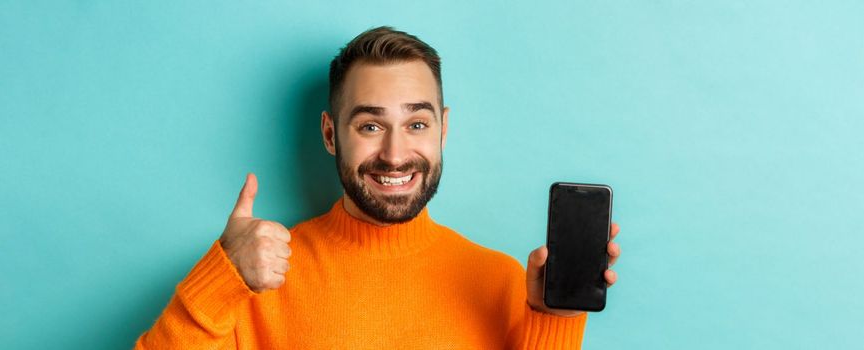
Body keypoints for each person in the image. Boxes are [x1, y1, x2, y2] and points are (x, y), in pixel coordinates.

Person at [135, 26, 622, 349]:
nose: (394, 154)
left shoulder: (501, 281)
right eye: (370, 126)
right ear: (331, 134)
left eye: (416, 124)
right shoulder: (260, 280)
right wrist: (222, 281)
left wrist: (551, 317)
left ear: (443, 130)